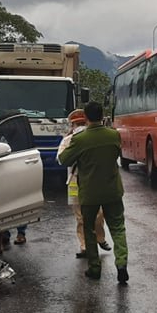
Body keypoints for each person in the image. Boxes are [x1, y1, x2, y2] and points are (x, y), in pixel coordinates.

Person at [57, 101, 129, 284]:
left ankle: (95, 268)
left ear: (86, 117)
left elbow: (64, 160)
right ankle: (121, 264)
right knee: (118, 228)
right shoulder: (113, 135)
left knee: (88, 229)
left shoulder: (80, 139)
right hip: (113, 190)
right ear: (102, 115)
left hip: (89, 192)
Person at [58, 108, 111, 258]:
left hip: (93, 179)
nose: (80, 127)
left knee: (98, 214)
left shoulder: (93, 138)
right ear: (73, 125)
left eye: (82, 123)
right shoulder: (67, 140)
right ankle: (84, 246)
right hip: (74, 181)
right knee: (80, 216)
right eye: (78, 124)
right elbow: (61, 159)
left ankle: (100, 238)